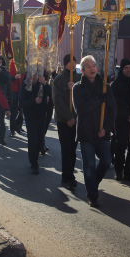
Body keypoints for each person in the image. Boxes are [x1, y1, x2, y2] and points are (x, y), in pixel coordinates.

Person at [73, 55, 116, 208]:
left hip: (102, 133)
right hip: (86, 134)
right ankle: (92, 195)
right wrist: (99, 99)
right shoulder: (77, 88)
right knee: (89, 166)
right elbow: (80, 109)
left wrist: (106, 129)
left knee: (106, 160)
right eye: (88, 66)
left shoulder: (105, 87)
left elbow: (112, 110)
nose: (92, 68)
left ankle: (92, 183)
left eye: (94, 65)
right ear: (83, 70)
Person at [53, 54, 81, 189]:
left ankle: (69, 174)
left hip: (76, 119)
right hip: (63, 120)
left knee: (73, 149)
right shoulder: (58, 80)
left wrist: (74, 88)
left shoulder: (80, 78)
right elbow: (58, 101)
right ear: (65, 64)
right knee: (66, 148)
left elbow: (83, 97)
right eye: (71, 61)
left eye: (75, 61)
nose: (74, 63)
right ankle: (68, 177)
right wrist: (68, 117)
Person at [19, 70, 50, 174]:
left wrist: (46, 84)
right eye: (31, 75)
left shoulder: (43, 84)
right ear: (27, 75)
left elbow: (51, 93)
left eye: (36, 74)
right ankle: (34, 163)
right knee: (33, 139)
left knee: (40, 139)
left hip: (41, 116)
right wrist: (34, 101)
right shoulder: (25, 85)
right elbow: (22, 102)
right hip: (30, 116)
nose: (34, 77)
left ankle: (36, 156)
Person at [8, 59, 24, 136]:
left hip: (21, 90)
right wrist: (14, 77)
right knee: (13, 111)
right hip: (13, 91)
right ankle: (12, 129)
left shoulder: (24, 63)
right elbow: (7, 77)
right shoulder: (10, 62)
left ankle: (18, 126)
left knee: (21, 111)